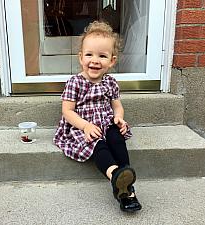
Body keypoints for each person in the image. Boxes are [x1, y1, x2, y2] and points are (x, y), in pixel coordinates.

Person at [53, 21, 142, 212]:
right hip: (82, 125)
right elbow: (67, 111)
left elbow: (117, 106)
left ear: (112, 61)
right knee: (97, 144)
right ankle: (116, 176)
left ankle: (125, 180)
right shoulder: (74, 82)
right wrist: (85, 126)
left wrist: (119, 118)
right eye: (89, 55)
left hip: (106, 121)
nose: (95, 60)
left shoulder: (110, 82)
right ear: (80, 57)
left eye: (102, 56)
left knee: (117, 137)